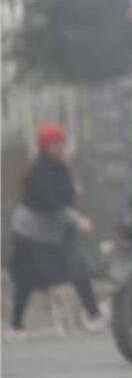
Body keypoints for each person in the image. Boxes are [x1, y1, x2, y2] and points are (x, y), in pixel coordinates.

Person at [7, 123, 105, 339]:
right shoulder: (40, 169)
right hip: (32, 232)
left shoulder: (59, 166)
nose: (60, 146)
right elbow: (50, 203)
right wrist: (77, 220)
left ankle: (94, 315)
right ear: (46, 146)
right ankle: (16, 327)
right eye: (55, 143)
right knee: (26, 279)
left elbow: (65, 195)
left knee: (80, 269)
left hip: (53, 230)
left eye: (61, 142)